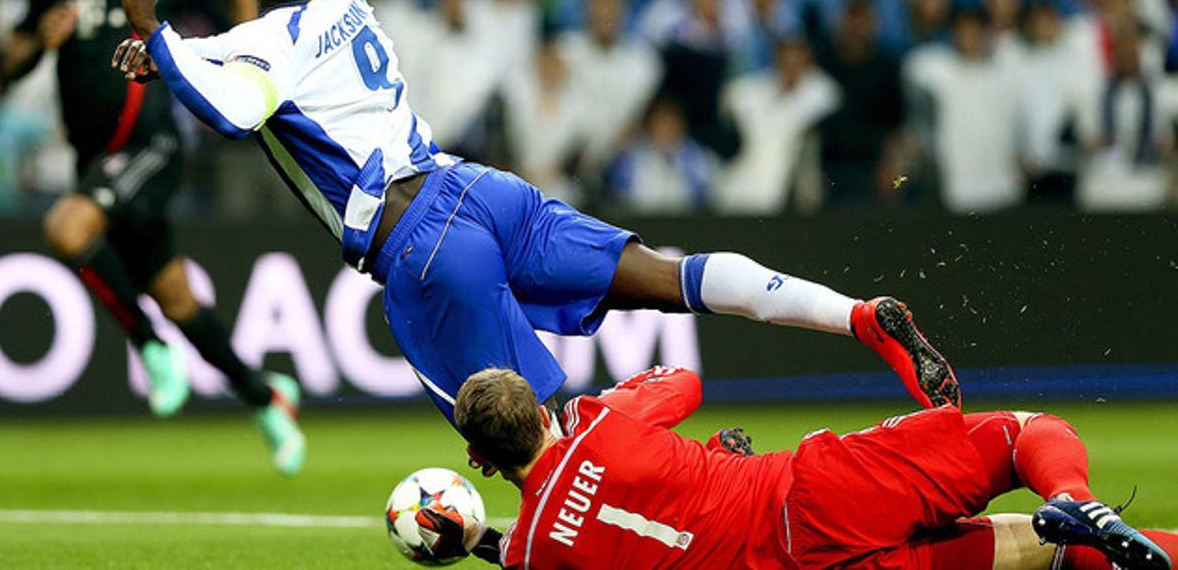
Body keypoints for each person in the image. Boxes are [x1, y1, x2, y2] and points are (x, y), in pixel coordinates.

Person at [101, 0, 960, 435]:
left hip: (420, 245)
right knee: (669, 274)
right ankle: (853, 314)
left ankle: (691, 470)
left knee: (538, 447)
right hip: (477, 189)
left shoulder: (258, 46)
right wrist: (170, 54)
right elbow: (251, 61)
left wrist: (158, 31)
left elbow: (233, 103)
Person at [1, 0, 304, 475]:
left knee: (68, 227)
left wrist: (245, 73)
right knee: (179, 299)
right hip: (96, 162)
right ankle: (266, 398)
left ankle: (148, 345)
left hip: (153, 147)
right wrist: (41, 37)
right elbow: (9, 63)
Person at [416, 366, 1176, 570]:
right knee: (1023, 434)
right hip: (810, 492)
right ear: (541, 413)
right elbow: (684, 382)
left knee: (1030, 553)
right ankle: (1078, 496)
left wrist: (468, 536)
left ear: (480, 460)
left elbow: (545, 536)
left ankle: (1084, 532)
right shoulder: (593, 419)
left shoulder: (532, 550)